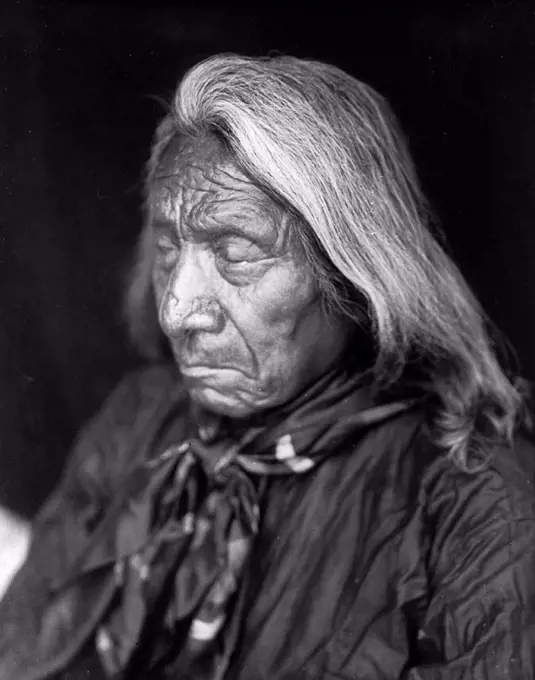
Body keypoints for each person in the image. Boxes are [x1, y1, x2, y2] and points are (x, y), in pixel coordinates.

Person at [0, 53, 534, 680]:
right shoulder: (141, 419)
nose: (176, 310)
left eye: (235, 254)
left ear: (354, 273)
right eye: (169, 249)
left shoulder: (474, 498)